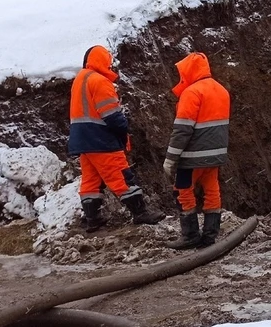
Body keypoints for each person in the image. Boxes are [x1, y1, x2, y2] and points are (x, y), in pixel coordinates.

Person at [68, 45, 164, 232]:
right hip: (101, 139)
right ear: (103, 61)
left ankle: (92, 219)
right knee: (121, 175)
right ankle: (140, 212)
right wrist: (123, 131)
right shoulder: (100, 81)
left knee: (91, 180)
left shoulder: (80, 79)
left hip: (82, 140)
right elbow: (112, 116)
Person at [162, 51, 231, 250]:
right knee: (212, 191)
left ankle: (190, 235)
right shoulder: (221, 91)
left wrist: (170, 158)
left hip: (192, 157)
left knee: (183, 191)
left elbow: (182, 130)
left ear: (189, 71)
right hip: (215, 155)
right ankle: (210, 236)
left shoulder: (191, 93)